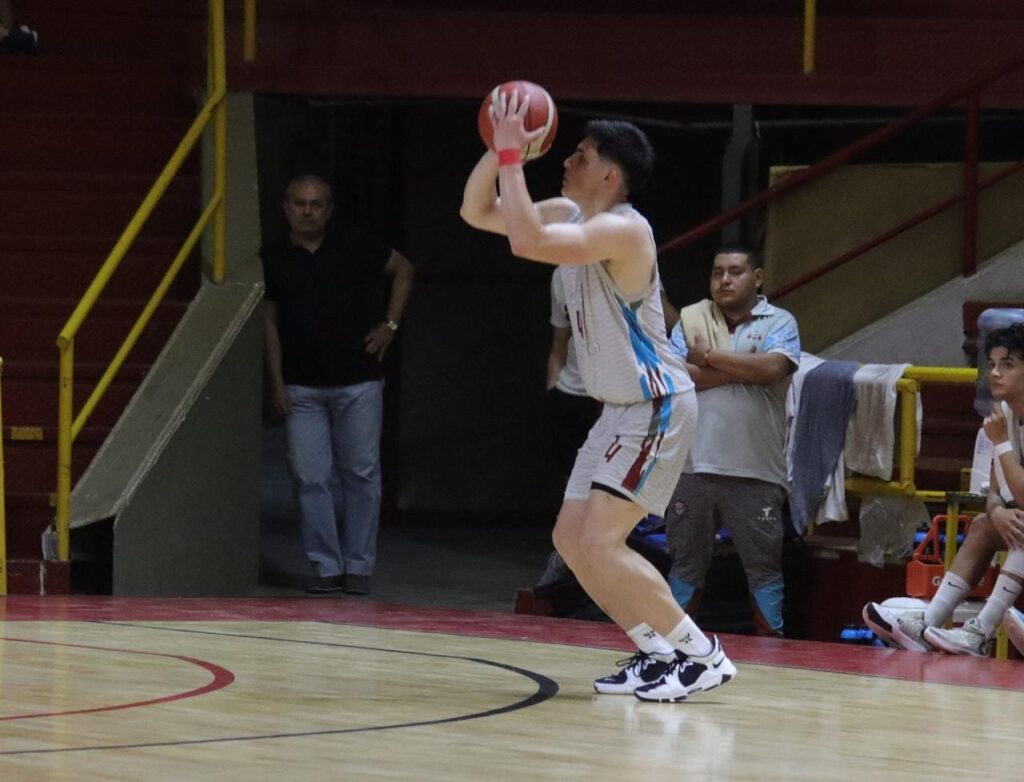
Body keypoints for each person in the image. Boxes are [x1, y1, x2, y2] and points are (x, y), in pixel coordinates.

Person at [460, 93, 735, 702]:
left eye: (579, 155)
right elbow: (476, 209)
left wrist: (512, 151)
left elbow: (525, 242)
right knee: (570, 540)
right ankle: (655, 650)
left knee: (602, 543)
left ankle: (701, 653)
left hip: (656, 407)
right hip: (617, 410)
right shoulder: (569, 214)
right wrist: (496, 148)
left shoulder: (624, 230)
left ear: (610, 175)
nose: (566, 161)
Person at [262, 174, 415, 596]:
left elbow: (404, 269)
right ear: (286, 208)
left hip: (359, 381)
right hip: (300, 387)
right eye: (299, 203)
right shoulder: (272, 256)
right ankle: (326, 566)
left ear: (329, 210)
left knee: (361, 474)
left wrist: (390, 325)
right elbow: (269, 324)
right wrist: (275, 382)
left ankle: (359, 566)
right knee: (310, 476)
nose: (307, 211)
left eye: (316, 204)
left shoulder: (355, 245)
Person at [863, 322, 1024, 657]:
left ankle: (979, 633)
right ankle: (926, 623)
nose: (995, 373)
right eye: (992, 364)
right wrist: (997, 512)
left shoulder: (1001, 430)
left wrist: (1003, 444)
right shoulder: (1004, 413)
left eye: (1007, 365)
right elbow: (996, 490)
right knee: (983, 524)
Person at [663, 248, 800, 636]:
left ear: (757, 277)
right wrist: (743, 369)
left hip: (756, 470)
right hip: (692, 467)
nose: (724, 280)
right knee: (685, 566)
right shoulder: (691, 319)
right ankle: (671, 650)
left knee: (764, 570)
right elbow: (678, 376)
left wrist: (707, 357)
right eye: (717, 271)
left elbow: (774, 367)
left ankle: (772, 655)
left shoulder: (780, 321)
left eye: (735, 272)